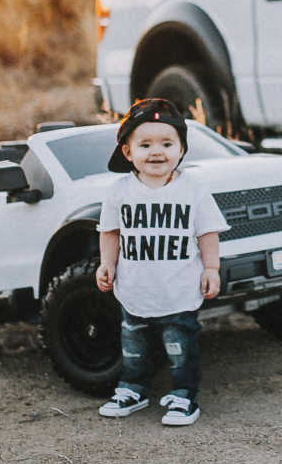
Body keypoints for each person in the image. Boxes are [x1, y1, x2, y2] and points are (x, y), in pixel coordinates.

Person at [94, 97, 227, 425]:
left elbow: (207, 232)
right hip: (135, 288)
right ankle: (133, 389)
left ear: (181, 149)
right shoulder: (118, 190)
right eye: (145, 144)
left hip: (180, 289)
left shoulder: (193, 189)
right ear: (128, 152)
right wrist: (106, 264)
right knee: (134, 347)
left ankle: (184, 396)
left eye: (167, 143)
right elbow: (110, 232)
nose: (157, 152)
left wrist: (212, 268)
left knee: (179, 348)